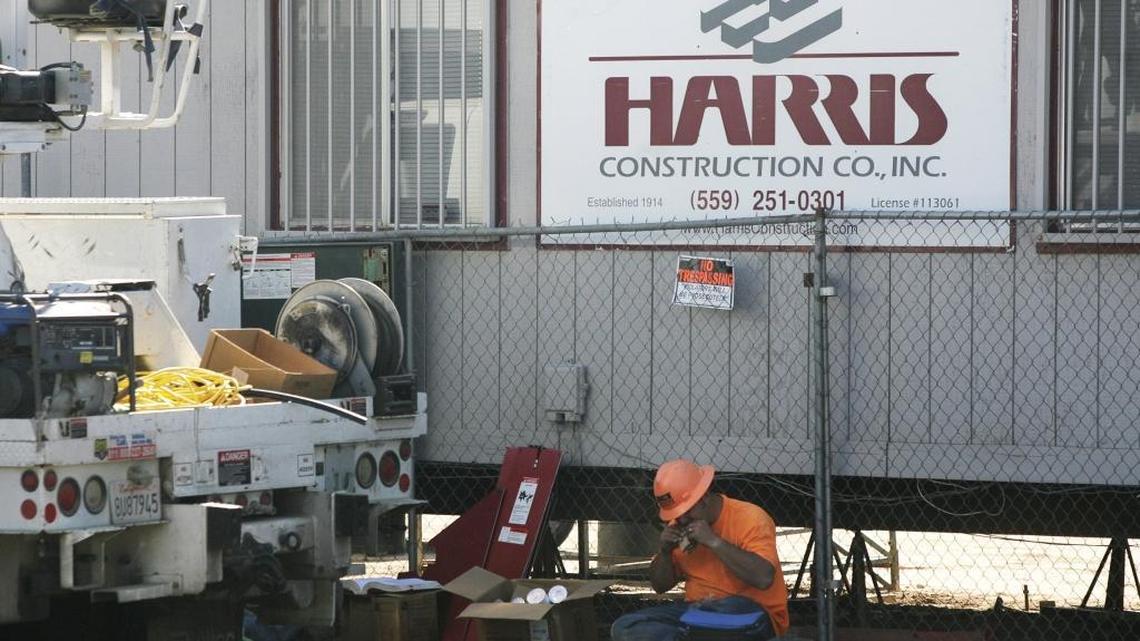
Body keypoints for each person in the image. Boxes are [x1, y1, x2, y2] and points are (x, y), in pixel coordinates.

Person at [610, 459, 789, 640]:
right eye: (676, 515)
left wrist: (713, 541)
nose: (681, 519)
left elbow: (763, 578)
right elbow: (660, 586)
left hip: (750, 612)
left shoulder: (751, 517)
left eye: (686, 511)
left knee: (725, 611)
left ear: (703, 496)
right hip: (697, 613)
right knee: (626, 627)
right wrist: (664, 552)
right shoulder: (680, 525)